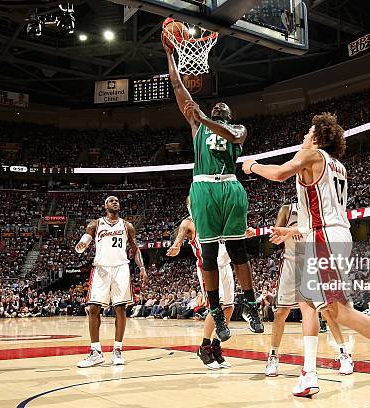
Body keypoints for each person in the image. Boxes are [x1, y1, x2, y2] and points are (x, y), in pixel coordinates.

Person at [243, 112, 370, 399]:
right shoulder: (337, 165)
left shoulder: (312, 155)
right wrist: (290, 232)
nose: (303, 137)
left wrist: (253, 165)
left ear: (318, 138)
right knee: (308, 302)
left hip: (326, 238)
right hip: (324, 235)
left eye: (308, 133)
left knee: (337, 311)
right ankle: (309, 373)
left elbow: (280, 173)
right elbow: (318, 209)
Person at [163, 33, 263, 342]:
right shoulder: (197, 125)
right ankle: (217, 312)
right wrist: (170, 56)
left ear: (229, 115)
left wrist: (204, 118)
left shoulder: (237, 129)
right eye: (215, 105)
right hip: (203, 187)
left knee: (238, 250)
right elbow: (180, 89)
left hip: (229, 187)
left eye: (224, 107)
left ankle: (251, 304)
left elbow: (229, 135)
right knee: (208, 255)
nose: (219, 105)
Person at [265, 203, 354, 381]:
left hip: (313, 262)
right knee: (281, 312)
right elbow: (277, 231)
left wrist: (298, 230)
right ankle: (273, 356)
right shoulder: (287, 209)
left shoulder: (317, 206)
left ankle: (345, 355)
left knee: (327, 311)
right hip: (291, 262)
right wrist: (283, 233)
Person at [167, 197, 255, 369]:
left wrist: (246, 233)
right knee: (217, 306)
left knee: (229, 307)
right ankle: (204, 347)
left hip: (226, 266)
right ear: (189, 206)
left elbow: (233, 235)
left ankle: (216, 346)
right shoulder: (189, 222)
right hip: (208, 269)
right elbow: (181, 233)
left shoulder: (217, 218)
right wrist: (177, 245)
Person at [74, 196, 148, 368]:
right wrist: (82, 244)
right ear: (105, 205)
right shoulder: (95, 224)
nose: (115, 202)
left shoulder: (127, 226)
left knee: (120, 308)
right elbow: (86, 238)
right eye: (111, 200)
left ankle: (117, 350)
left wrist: (142, 268)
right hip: (101, 268)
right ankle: (95, 352)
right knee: (93, 308)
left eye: (117, 201)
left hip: (121, 267)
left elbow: (134, 249)